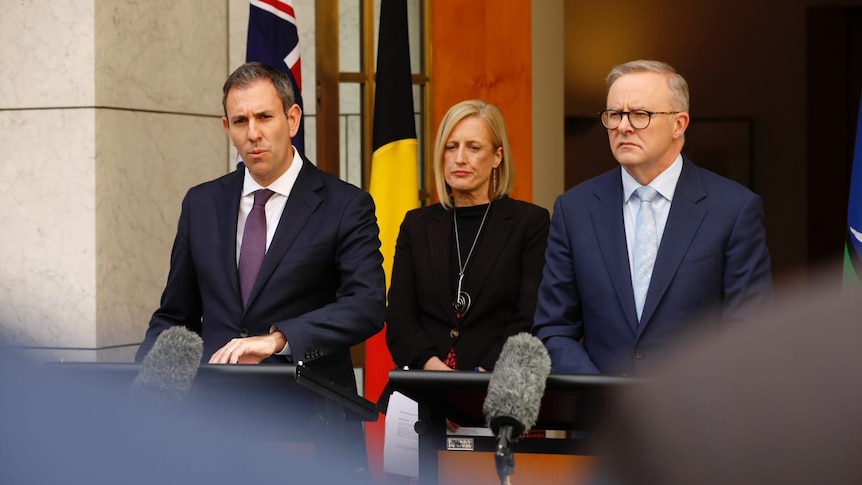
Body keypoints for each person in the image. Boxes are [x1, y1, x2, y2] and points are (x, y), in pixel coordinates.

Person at [136, 62, 385, 396]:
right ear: (227, 128)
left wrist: (279, 339)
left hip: (310, 414)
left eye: (265, 117)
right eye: (240, 121)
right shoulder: (201, 204)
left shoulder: (345, 205)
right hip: (214, 418)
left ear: (292, 119)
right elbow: (176, 316)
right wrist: (143, 388)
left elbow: (366, 305)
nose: (253, 133)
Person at [532, 59, 772, 375]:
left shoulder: (733, 209)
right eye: (615, 114)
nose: (623, 126)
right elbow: (553, 330)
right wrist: (600, 395)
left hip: (696, 417)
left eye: (640, 115)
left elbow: (749, 330)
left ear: (680, 124)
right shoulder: (574, 210)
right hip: (602, 418)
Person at [385, 99, 549, 372]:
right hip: (423, 383)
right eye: (451, 147)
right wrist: (435, 370)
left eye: (473, 147)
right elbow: (400, 315)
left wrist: (477, 377)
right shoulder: (417, 224)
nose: (460, 158)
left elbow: (530, 317)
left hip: (494, 385)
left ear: (497, 156)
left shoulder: (530, 223)